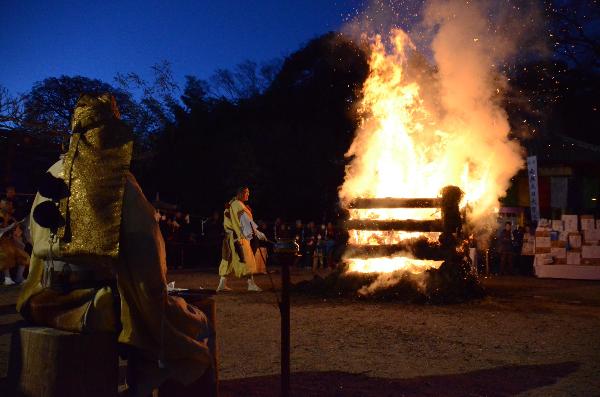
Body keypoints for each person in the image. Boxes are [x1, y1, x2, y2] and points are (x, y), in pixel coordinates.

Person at [17, 93, 214, 396]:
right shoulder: (117, 181)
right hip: (92, 304)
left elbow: (35, 239)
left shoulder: (52, 172)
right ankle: (145, 384)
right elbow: (146, 253)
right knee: (191, 322)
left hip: (42, 298)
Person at [217, 186, 267, 292]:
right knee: (247, 259)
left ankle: (222, 284)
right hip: (237, 238)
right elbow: (244, 220)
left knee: (228, 259)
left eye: (248, 192)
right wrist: (257, 232)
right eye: (246, 192)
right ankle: (251, 284)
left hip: (229, 237)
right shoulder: (238, 205)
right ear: (240, 194)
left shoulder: (232, 203)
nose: (248, 194)